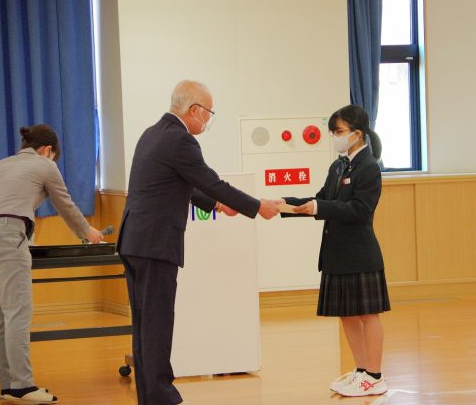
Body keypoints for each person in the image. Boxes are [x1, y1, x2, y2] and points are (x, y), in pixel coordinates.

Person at [117, 80, 278, 405]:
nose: (208, 119)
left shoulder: (152, 133)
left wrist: (216, 205)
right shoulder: (181, 140)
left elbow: (184, 184)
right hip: (155, 243)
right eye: (209, 112)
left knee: (145, 323)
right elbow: (211, 181)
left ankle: (151, 396)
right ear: (194, 110)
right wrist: (257, 206)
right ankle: (161, 397)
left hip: (134, 240)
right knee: (157, 323)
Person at [278, 104, 390, 397]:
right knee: (347, 315)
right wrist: (283, 204)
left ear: (357, 133)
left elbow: (359, 209)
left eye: (338, 131)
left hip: (360, 253)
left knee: (368, 315)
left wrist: (318, 207)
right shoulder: (338, 166)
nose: (335, 137)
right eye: (333, 132)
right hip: (336, 253)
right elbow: (321, 199)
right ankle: (361, 370)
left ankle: (375, 375)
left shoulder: (369, 167)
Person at [0, 124, 104, 404]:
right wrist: (88, 232)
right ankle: (22, 386)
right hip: (8, 236)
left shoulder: (0, 165)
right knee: (16, 313)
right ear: (47, 150)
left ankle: (8, 385)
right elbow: (64, 205)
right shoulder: (45, 165)